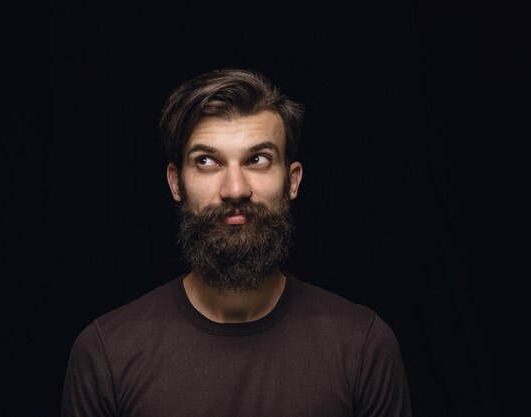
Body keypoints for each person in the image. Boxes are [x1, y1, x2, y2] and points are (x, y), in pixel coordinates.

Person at [61, 68, 412, 417]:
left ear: (292, 181)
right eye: (207, 161)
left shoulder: (362, 346)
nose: (234, 189)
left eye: (257, 160)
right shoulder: (108, 352)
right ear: (175, 183)